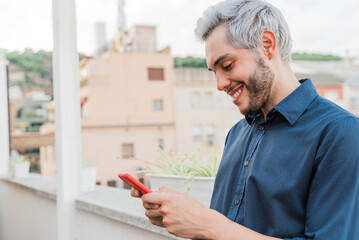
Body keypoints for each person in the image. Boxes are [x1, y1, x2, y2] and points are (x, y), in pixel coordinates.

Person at [131, 0, 359, 239]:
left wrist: (208, 224)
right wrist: (183, 217)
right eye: (214, 72)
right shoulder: (236, 134)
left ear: (267, 45)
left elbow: (219, 229)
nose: (219, 84)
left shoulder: (341, 132)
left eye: (227, 65)